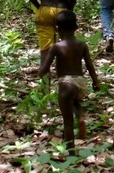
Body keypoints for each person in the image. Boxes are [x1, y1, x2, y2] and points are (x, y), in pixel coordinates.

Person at [37, 10, 100, 155]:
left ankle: (71, 152)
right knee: (74, 101)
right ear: (76, 27)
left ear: (58, 29)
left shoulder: (56, 47)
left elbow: (45, 67)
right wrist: (95, 81)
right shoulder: (82, 45)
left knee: (67, 122)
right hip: (80, 82)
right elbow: (90, 65)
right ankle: (80, 116)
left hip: (65, 83)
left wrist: (39, 73)